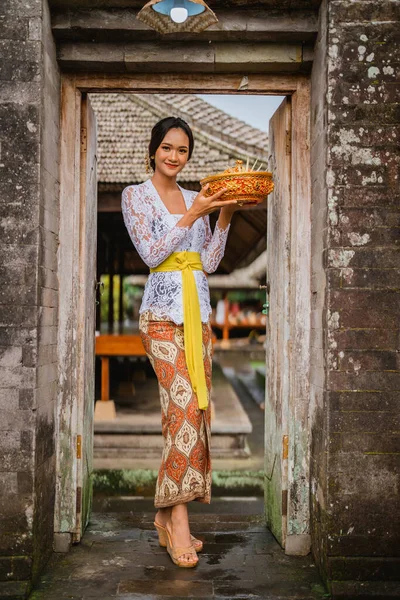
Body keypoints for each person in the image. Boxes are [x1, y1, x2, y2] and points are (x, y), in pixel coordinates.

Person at [121, 116, 241, 568]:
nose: (175, 156)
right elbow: (152, 254)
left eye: (183, 151)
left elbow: (207, 262)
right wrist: (192, 215)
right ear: (153, 149)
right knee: (186, 408)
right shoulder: (135, 196)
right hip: (160, 318)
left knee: (191, 412)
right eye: (168, 148)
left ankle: (165, 515)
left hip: (199, 317)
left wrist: (223, 215)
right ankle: (181, 524)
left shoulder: (198, 196)